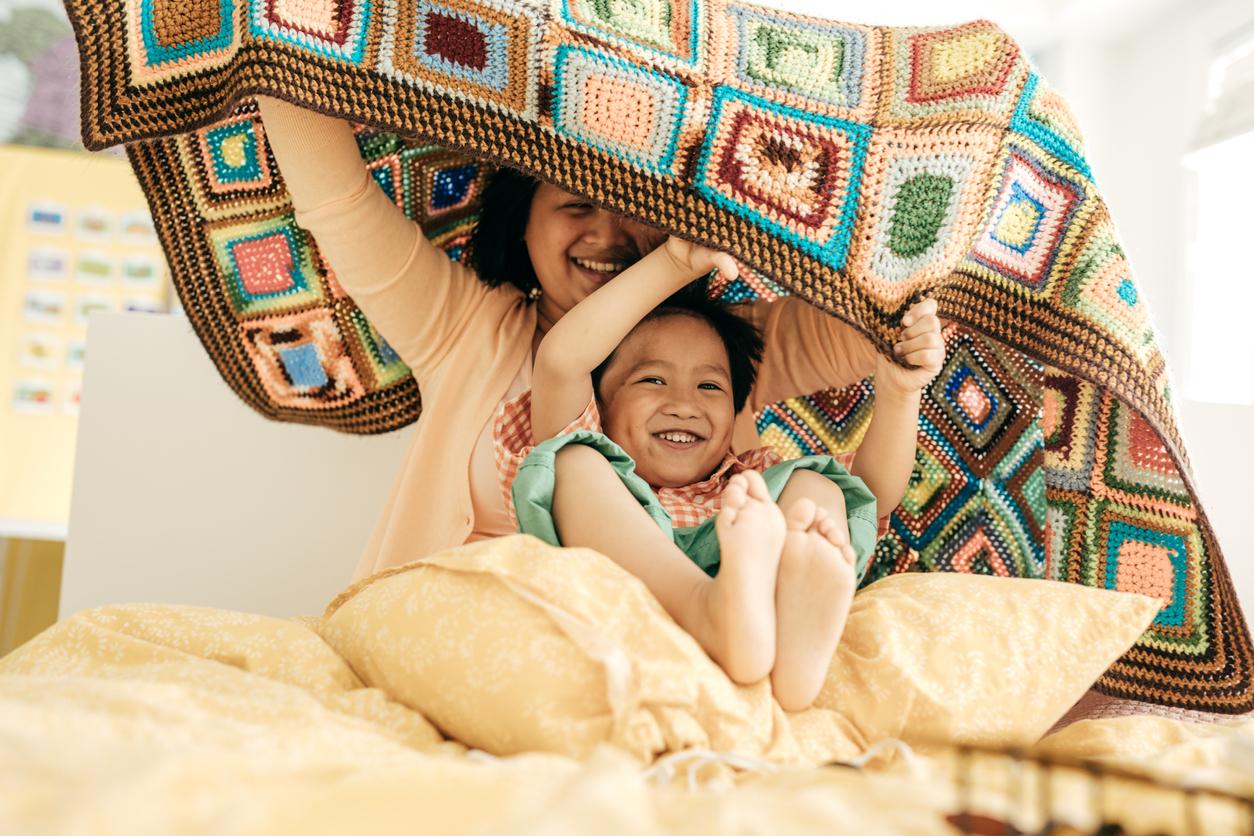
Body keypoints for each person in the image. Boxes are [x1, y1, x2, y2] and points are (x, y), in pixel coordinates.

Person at [255, 97, 936, 583]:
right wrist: (279, 30)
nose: (606, 235)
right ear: (520, 223)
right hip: (452, 643)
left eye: (633, 211)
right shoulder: (464, 325)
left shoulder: (730, 346)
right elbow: (337, 201)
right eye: (575, 204)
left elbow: (895, 314)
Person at [492, 236, 942, 709]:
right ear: (597, 401)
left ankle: (794, 652)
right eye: (653, 379)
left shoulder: (746, 490)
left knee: (817, 489)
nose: (684, 404)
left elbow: (875, 492)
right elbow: (561, 359)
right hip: (621, 591)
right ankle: (706, 609)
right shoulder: (591, 460)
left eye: (709, 385)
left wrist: (898, 392)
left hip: (746, 590)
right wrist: (673, 262)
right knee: (570, 461)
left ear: (733, 415)